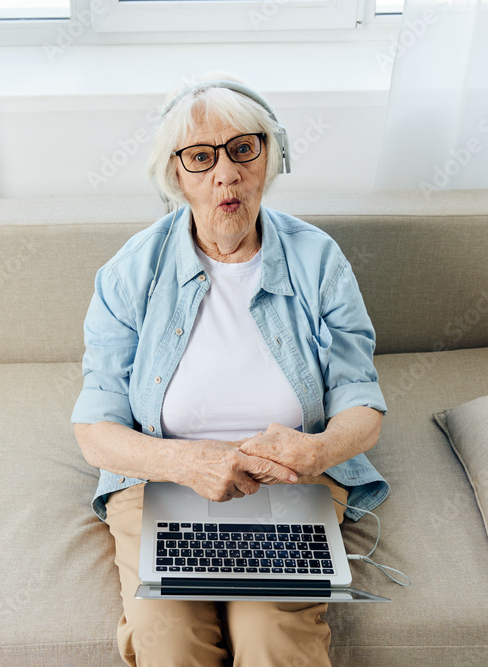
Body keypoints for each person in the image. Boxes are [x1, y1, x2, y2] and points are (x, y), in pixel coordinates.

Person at [71, 75, 389, 667]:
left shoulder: (318, 259)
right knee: (170, 641)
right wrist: (186, 462)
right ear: (176, 176)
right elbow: (95, 430)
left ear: (271, 156)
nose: (227, 173)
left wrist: (315, 453)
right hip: (161, 478)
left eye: (244, 148)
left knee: (274, 636)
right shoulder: (129, 272)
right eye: (200, 157)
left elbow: (361, 403)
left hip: (288, 477)